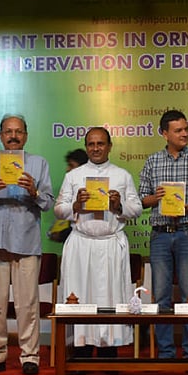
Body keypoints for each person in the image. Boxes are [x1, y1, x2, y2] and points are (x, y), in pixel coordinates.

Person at [0, 114, 54, 375]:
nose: (13, 136)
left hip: (26, 241)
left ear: (26, 135)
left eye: (18, 131)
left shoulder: (38, 163)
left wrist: (34, 192)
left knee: (27, 304)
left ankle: (30, 356)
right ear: (1, 135)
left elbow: (49, 202)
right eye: (8, 131)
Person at [54, 127, 142, 359]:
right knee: (80, 296)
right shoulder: (74, 176)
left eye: (100, 144)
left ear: (109, 146)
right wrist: (75, 205)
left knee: (110, 296)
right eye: (91, 144)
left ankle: (109, 352)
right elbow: (59, 209)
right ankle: (81, 351)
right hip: (81, 245)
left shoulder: (122, 175)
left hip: (110, 245)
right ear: (86, 147)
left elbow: (136, 209)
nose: (96, 148)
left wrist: (119, 206)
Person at [139, 110, 188, 359]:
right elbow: (141, 199)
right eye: (178, 130)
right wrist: (157, 198)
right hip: (160, 235)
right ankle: (166, 352)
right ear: (165, 133)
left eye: (186, 129)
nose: (184, 134)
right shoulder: (152, 161)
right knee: (161, 295)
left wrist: (187, 208)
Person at [49, 148, 89, 243]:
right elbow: (62, 213)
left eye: (71, 165)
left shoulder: (92, 190)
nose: (67, 169)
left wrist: (62, 235)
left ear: (82, 167)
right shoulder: (69, 187)